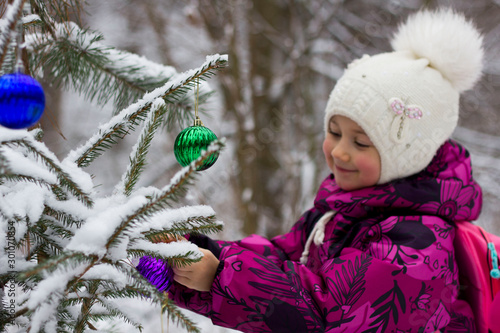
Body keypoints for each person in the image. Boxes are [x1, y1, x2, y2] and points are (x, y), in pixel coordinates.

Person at [167, 8, 484, 332]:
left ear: (408, 156)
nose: (339, 151)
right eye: (334, 132)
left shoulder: (419, 244)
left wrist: (222, 277)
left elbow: (329, 312)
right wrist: (205, 254)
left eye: (360, 142)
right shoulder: (342, 210)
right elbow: (282, 260)